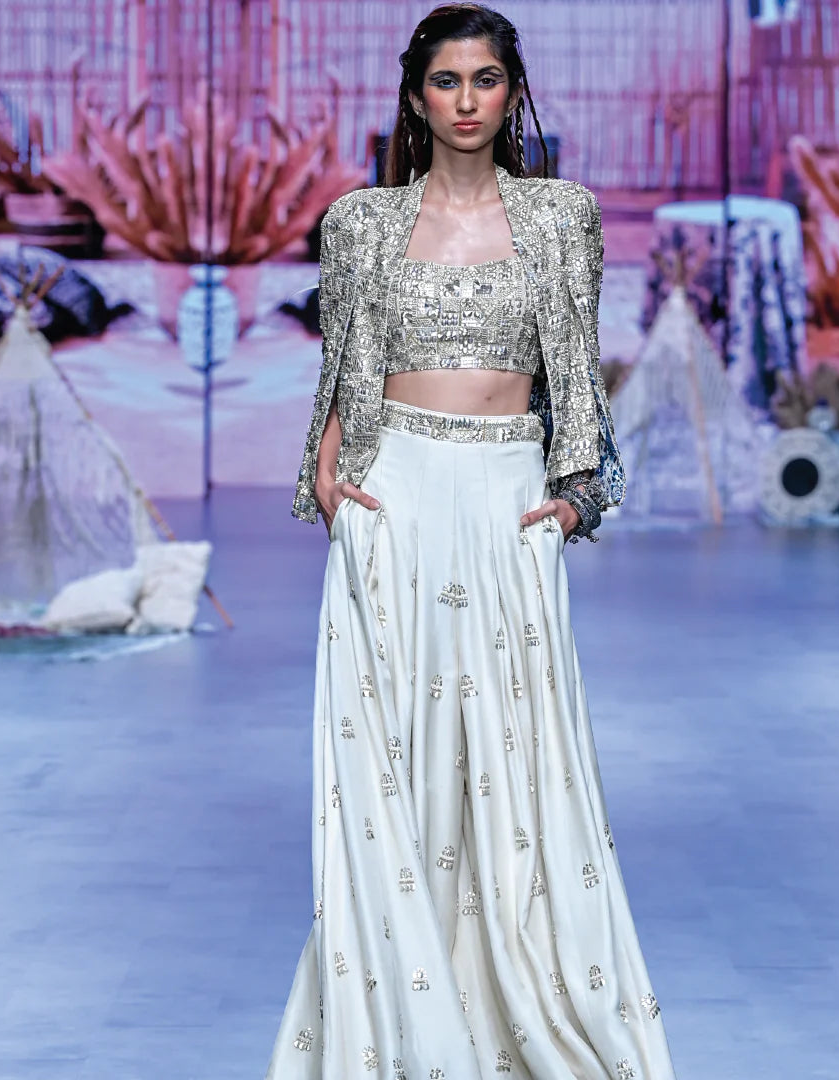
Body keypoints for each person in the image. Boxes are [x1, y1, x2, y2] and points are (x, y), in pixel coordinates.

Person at [267, 5, 677, 1077]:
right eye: (445, 81)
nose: (465, 100)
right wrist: (333, 477)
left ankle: (521, 1018)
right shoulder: (360, 221)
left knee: (522, 772)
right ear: (416, 96)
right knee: (393, 775)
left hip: (506, 498)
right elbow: (343, 369)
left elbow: (576, 369)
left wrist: (577, 498)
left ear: (511, 92)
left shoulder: (561, 215)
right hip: (395, 499)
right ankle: (400, 1032)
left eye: (485, 79)